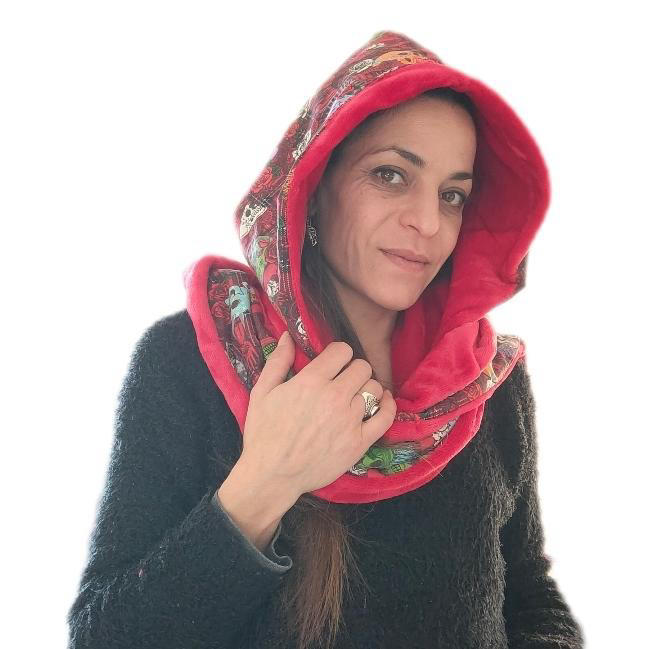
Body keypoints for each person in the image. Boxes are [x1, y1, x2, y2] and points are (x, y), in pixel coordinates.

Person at [66, 30, 585, 649]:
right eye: (391, 175)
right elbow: (105, 636)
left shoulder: (484, 379)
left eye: (452, 196)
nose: (427, 221)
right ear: (313, 188)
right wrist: (267, 480)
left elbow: (529, 593)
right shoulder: (192, 360)